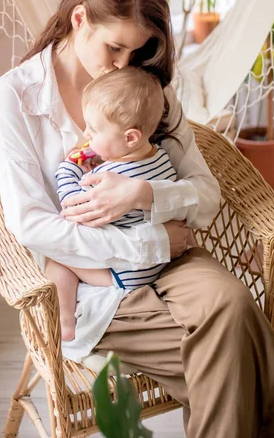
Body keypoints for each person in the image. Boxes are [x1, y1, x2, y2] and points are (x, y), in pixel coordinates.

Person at [0, 0, 274, 437]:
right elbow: (31, 224)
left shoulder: (149, 91)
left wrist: (146, 193)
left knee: (231, 304)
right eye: (114, 46)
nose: (124, 64)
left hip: (177, 257)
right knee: (237, 349)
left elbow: (207, 198)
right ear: (80, 18)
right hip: (92, 280)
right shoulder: (14, 97)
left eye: (138, 50)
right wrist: (148, 246)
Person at [47, 66, 179, 340]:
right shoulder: (161, 158)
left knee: (55, 261)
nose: (87, 134)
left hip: (125, 274)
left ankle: (66, 323)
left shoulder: (107, 179)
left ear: (130, 137)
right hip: (157, 265)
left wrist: (69, 168)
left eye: (94, 129)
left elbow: (74, 207)